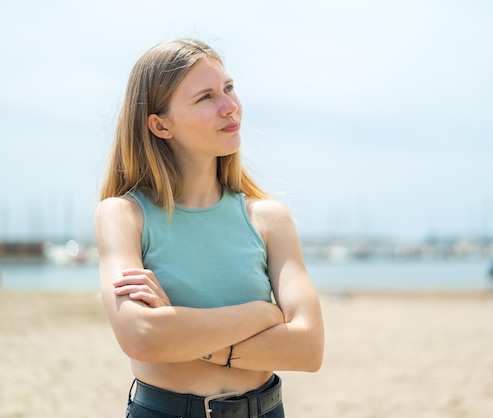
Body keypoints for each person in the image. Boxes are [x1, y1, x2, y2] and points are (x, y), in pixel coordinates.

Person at [94, 39, 324, 418]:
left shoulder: (268, 219)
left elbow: (309, 348)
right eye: (205, 97)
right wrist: (260, 314)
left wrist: (181, 330)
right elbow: (142, 337)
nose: (230, 106)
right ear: (160, 125)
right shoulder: (123, 216)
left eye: (229, 89)